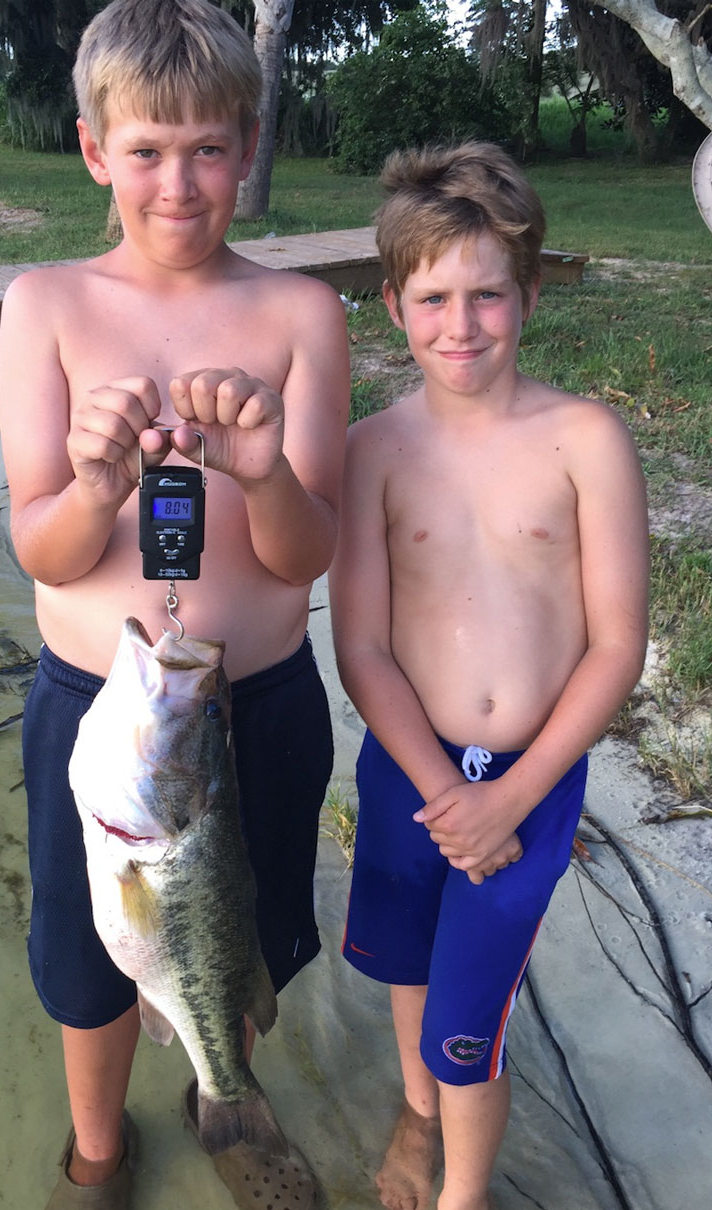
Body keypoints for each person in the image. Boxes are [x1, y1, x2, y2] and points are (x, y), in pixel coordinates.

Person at [0, 2, 350, 1208]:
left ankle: (224, 1104)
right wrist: (94, 491)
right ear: (97, 149)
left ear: (248, 146)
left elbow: (309, 556)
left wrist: (264, 473)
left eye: (208, 147)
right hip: (102, 720)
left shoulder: (303, 316)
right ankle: (97, 1146)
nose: (180, 181)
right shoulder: (44, 305)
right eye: (147, 150)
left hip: (262, 703)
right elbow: (43, 549)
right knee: (88, 965)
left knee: (231, 936)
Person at [329, 142, 649, 1210]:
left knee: (471, 1026)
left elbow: (617, 646)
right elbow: (362, 646)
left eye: (486, 295)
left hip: (528, 781)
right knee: (410, 969)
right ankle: (416, 1119)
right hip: (408, 770)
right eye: (433, 298)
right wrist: (439, 790)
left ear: (531, 292)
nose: (459, 325)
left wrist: (505, 795)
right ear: (391, 305)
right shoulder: (370, 449)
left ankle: (463, 1192)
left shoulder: (584, 440)